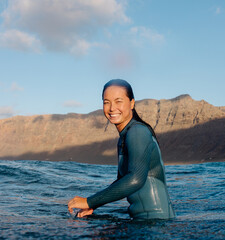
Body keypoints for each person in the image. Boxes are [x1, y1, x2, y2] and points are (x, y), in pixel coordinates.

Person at [68, 79, 175, 219]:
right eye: (107, 102)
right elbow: (123, 181)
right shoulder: (125, 137)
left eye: (118, 101)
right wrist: (93, 205)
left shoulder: (137, 132)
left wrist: (89, 201)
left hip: (155, 224)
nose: (112, 108)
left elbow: (136, 179)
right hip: (141, 222)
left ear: (131, 103)